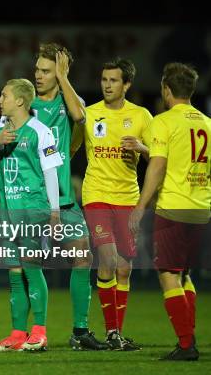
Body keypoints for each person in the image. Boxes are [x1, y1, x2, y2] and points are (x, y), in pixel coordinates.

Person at [0, 43, 105, 350]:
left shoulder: (66, 102)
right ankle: (25, 332)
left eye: (47, 71)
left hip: (64, 199)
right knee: (28, 266)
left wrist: (64, 78)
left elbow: (80, 116)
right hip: (30, 203)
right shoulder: (24, 107)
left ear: (59, 73)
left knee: (82, 256)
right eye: (38, 70)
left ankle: (80, 331)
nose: (40, 76)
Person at [129, 63, 210, 361]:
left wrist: (140, 206)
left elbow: (159, 165)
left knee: (167, 274)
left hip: (173, 208)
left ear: (166, 89)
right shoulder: (206, 123)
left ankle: (186, 345)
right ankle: (188, 340)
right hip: (201, 209)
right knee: (184, 274)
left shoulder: (163, 122)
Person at [71, 58, 151, 350]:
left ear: (126, 84)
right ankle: (112, 333)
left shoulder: (141, 116)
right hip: (96, 195)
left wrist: (141, 148)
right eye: (104, 79)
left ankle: (116, 332)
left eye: (113, 80)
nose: (106, 85)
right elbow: (73, 147)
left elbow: (157, 157)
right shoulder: (90, 115)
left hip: (128, 197)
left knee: (124, 268)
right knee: (107, 258)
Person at [0, 79, 62, 352]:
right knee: (14, 272)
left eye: (3, 95)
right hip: (8, 212)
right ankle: (17, 334)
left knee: (31, 267)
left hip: (33, 209)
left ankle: (39, 332)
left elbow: (51, 173)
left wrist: (54, 211)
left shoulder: (41, 131)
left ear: (19, 101)